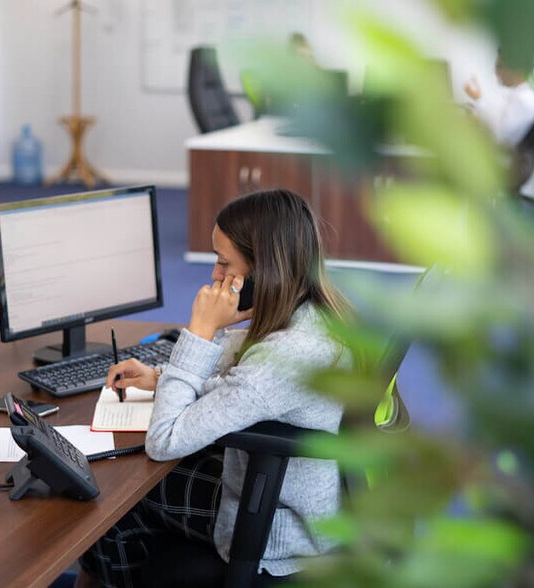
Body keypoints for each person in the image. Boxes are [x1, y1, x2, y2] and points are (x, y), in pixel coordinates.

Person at [77, 188, 352, 586]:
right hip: (275, 489)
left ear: (265, 269)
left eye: (224, 263)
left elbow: (165, 439)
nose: (214, 276)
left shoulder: (285, 358)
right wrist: (159, 377)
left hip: (271, 523)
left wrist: (201, 330)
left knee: (114, 499)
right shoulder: (313, 315)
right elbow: (241, 361)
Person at [464, 50, 534, 148]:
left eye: (499, 66)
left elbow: (497, 137)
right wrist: (478, 100)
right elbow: (498, 121)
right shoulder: (519, 94)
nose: (495, 72)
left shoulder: (524, 100)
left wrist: (477, 111)